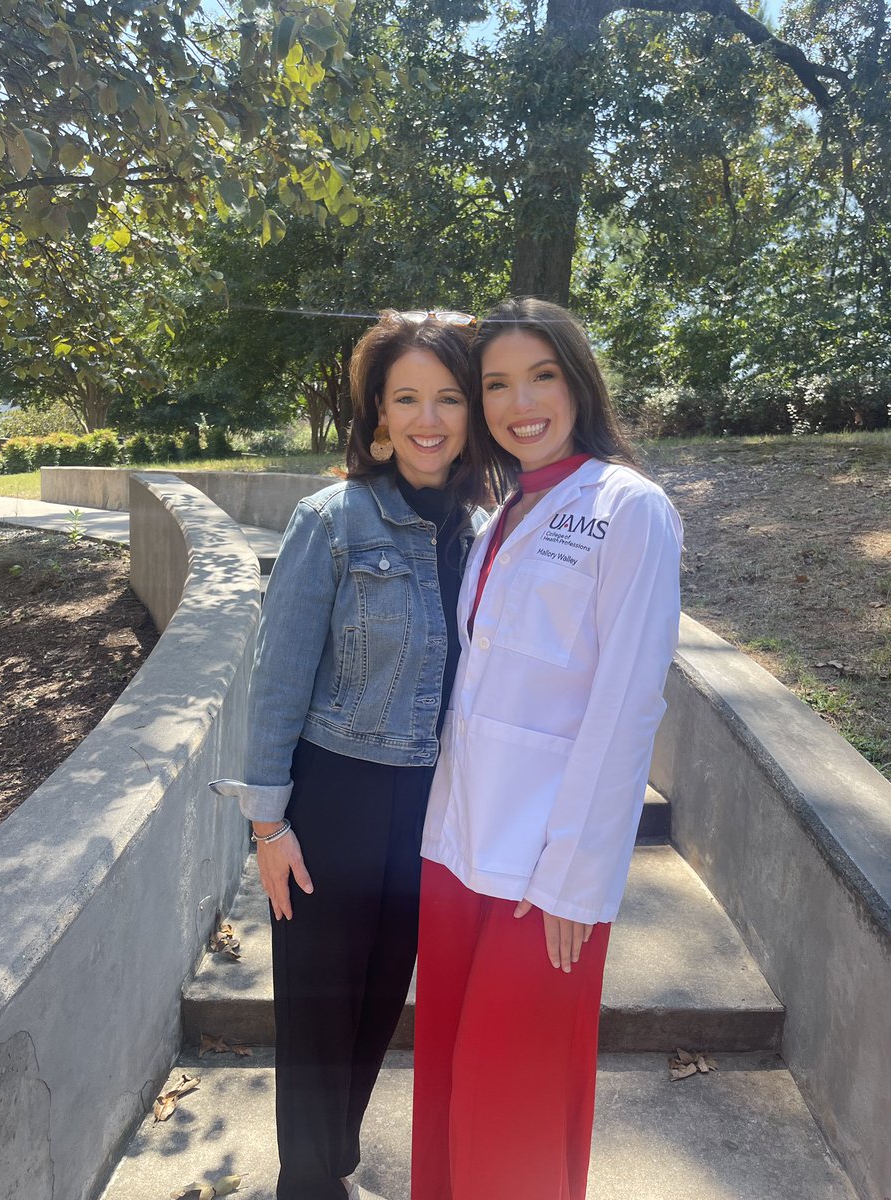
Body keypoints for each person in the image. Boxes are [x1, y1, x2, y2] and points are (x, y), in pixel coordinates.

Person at [411, 297, 683, 1200]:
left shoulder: (628, 508)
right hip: (457, 849)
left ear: (577, 382)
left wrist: (576, 874)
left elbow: (629, 703)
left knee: (513, 1097)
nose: (518, 402)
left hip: (544, 872)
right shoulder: (502, 513)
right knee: (450, 1081)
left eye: (541, 376)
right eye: (495, 383)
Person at [211, 310, 487, 1200]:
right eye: (406, 397)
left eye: (448, 397)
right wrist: (268, 825)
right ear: (377, 410)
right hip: (335, 801)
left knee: (374, 1011)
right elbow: (279, 677)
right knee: (319, 1017)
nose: (428, 418)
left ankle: (329, 1164)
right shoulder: (333, 520)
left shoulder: (486, 534)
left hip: (429, 811)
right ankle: (307, 1183)